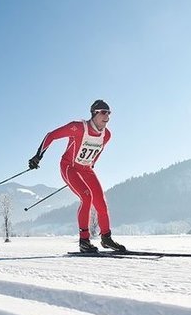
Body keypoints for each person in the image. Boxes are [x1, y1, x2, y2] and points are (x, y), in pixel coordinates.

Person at [28, 99, 126, 253]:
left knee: (101, 201)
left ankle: (106, 238)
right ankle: (84, 241)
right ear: (94, 113)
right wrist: (38, 156)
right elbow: (51, 135)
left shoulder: (106, 135)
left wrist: (92, 163)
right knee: (87, 197)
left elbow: (97, 150)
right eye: (103, 112)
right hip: (69, 167)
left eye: (109, 113)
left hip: (86, 169)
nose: (107, 116)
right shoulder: (78, 128)